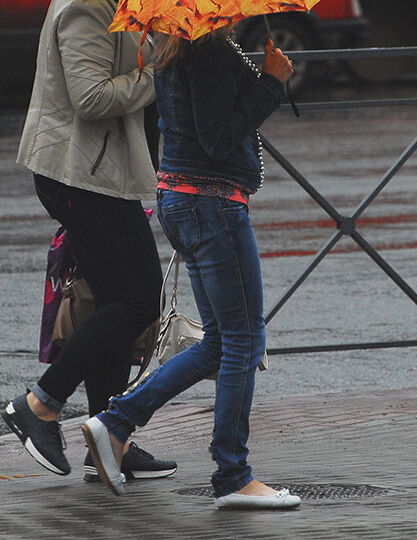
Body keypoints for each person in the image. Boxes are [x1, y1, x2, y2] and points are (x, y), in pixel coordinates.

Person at [81, 27, 302, 511]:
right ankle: (233, 474)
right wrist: (269, 83)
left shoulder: (174, 47)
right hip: (213, 204)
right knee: (245, 340)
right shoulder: (210, 51)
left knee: (223, 342)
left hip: (182, 199)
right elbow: (218, 138)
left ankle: (116, 422)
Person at [2, 0, 176, 484]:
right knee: (138, 297)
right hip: (82, 175)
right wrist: (158, 69)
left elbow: (118, 60)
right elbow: (93, 98)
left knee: (112, 301)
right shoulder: (81, 4)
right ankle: (40, 405)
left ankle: (111, 443)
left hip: (96, 172)